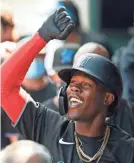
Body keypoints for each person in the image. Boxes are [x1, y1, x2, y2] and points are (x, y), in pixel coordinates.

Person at [1, 7, 134, 163]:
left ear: (107, 98)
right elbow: (4, 86)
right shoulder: (49, 126)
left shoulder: (127, 150)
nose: (74, 88)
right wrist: (41, 36)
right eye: (72, 82)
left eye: (86, 85)